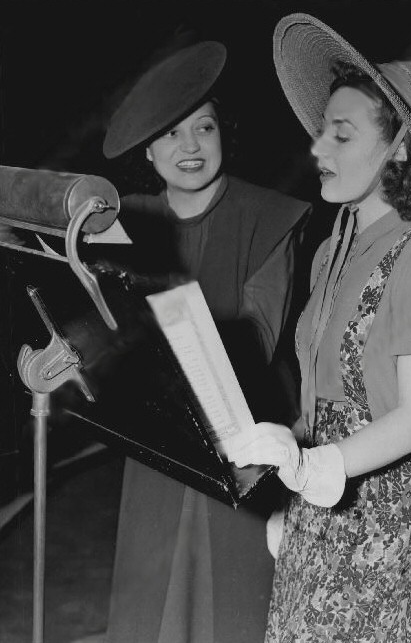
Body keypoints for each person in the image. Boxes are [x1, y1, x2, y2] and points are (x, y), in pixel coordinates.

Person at [226, 14, 411, 642]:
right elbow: (323, 397)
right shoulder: (333, 246)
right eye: (320, 132)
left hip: (376, 524)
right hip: (315, 504)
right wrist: (289, 452)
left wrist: (317, 466)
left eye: (340, 134)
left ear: (399, 151)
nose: (316, 148)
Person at [86, 40, 311, 643]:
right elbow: (97, 331)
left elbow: (258, 340)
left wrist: (159, 342)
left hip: (241, 445)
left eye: (203, 128)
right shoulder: (121, 223)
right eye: (171, 135)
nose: (190, 147)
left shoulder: (268, 216)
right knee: (150, 606)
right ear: (149, 153)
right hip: (157, 442)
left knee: (230, 605)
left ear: (223, 133)